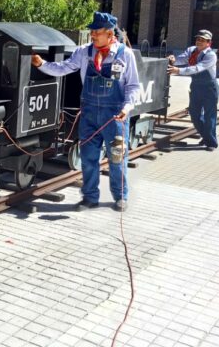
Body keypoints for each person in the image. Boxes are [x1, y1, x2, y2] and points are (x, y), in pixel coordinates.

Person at [31, 12, 140, 212]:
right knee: (89, 158)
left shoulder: (125, 54)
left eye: (97, 31)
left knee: (117, 158)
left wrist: (127, 107)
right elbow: (64, 68)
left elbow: (133, 86)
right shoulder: (84, 52)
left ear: (109, 33)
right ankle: (90, 197)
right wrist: (42, 65)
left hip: (115, 115)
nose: (92, 35)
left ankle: (120, 196)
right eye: (91, 31)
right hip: (89, 113)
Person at [167, 29, 219, 151]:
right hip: (196, 86)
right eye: (198, 39)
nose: (199, 42)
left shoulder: (211, 55)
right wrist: (174, 60)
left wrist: (178, 71)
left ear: (208, 42)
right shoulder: (191, 50)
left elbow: (197, 68)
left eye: (203, 40)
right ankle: (207, 136)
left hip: (209, 88)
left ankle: (211, 143)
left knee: (209, 116)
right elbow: (182, 59)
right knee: (194, 114)